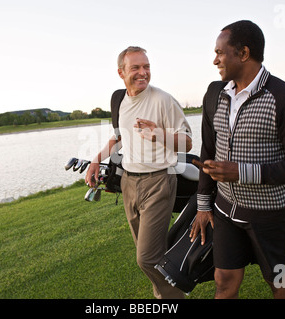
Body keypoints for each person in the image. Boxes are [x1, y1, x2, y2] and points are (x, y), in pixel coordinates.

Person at [190, 20, 285, 299]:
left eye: (220, 52)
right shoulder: (215, 94)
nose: (215, 60)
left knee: (279, 280)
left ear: (244, 53)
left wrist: (242, 172)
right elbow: (208, 151)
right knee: (224, 280)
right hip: (225, 210)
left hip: (270, 215)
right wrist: (204, 205)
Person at [85, 46, 192, 299]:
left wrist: (159, 134)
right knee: (151, 253)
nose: (143, 73)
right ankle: (163, 297)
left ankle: (175, 296)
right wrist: (95, 161)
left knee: (146, 258)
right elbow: (119, 137)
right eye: (136, 68)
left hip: (159, 181)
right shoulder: (119, 100)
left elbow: (187, 142)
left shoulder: (163, 100)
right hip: (129, 184)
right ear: (121, 72)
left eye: (147, 67)